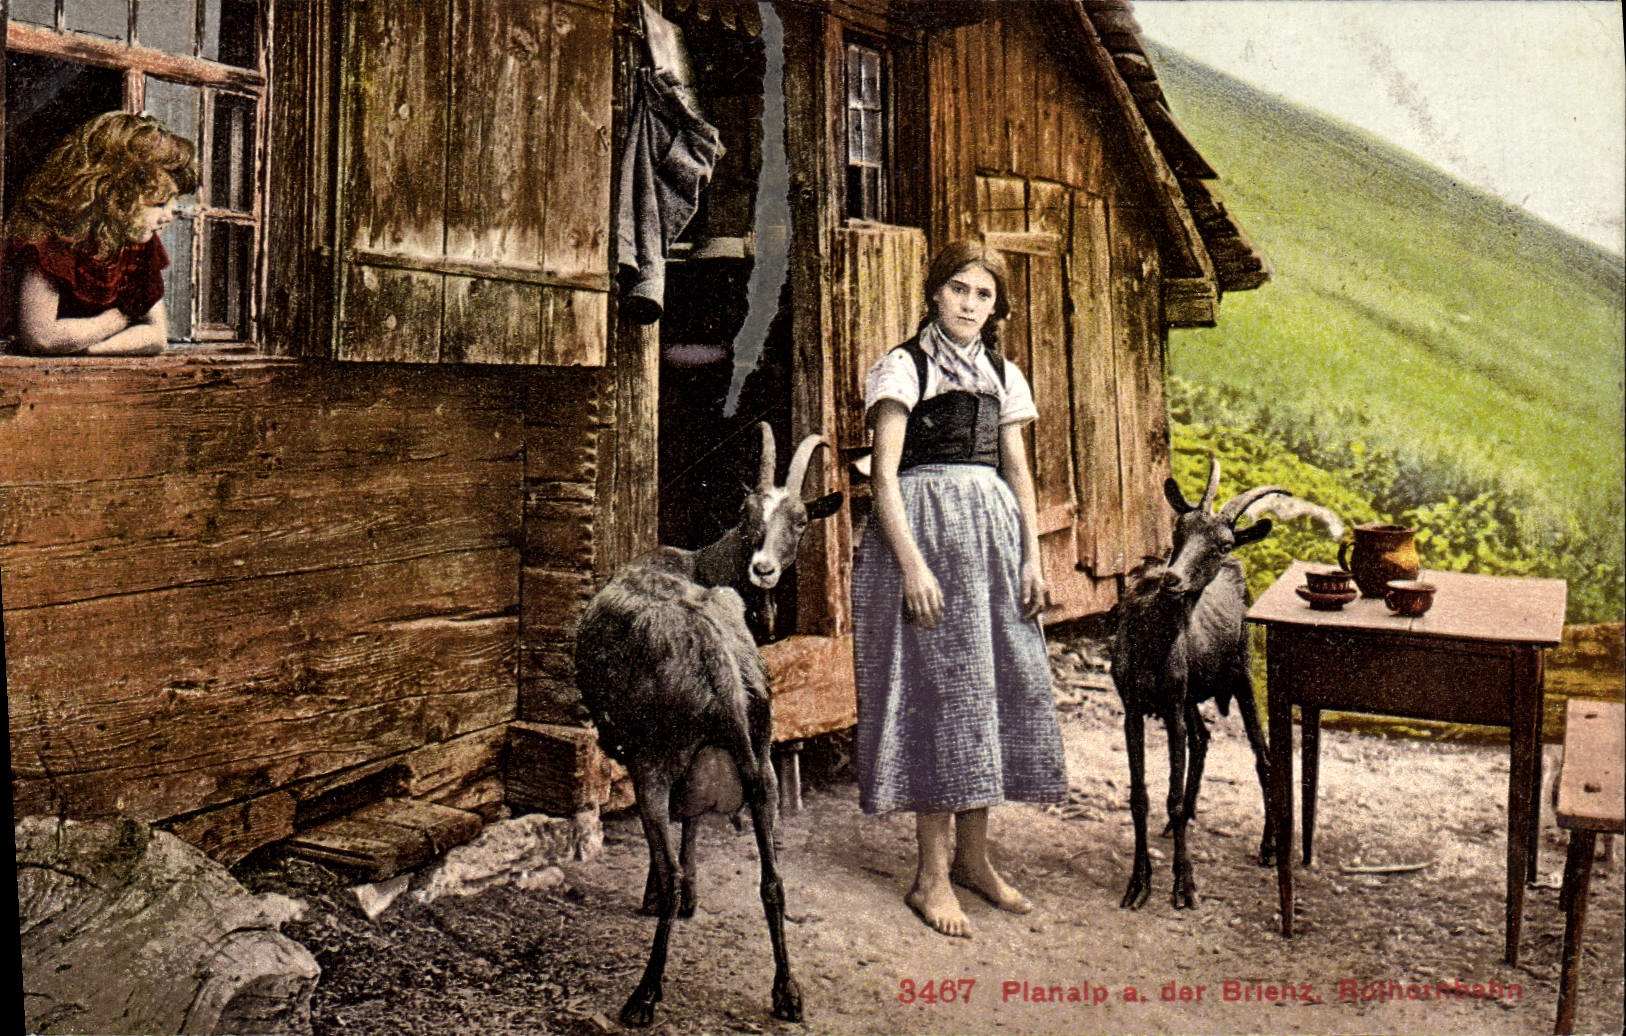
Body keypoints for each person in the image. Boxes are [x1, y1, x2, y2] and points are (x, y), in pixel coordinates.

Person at [852, 238, 1068, 939]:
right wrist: (913, 565)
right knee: (940, 694)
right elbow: (883, 477)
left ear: (996, 305)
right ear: (934, 294)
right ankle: (930, 876)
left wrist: (1032, 560)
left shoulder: (1004, 373)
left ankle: (975, 860)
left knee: (992, 689)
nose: (970, 304)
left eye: (983, 294)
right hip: (927, 541)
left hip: (993, 547)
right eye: (958, 289)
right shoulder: (904, 366)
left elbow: (1019, 472)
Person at [3, 111, 199, 356]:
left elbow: (155, 337)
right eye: (159, 204)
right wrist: (117, 320)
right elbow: (41, 337)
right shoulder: (52, 243)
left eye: (172, 203)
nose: (170, 214)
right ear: (115, 196)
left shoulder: (139, 243)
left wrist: (90, 349)